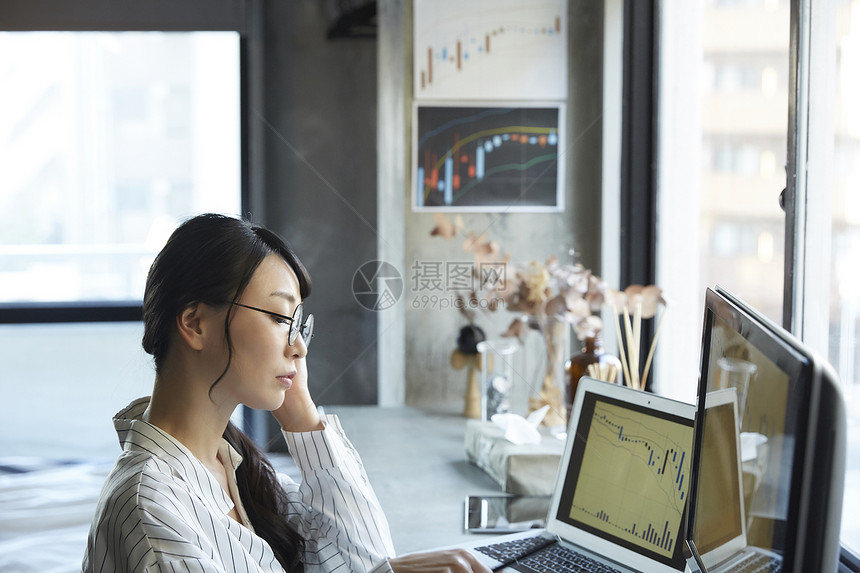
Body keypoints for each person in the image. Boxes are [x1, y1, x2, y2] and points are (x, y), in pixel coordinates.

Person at [83, 213, 490, 573]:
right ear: (195, 323)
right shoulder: (151, 511)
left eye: (299, 325)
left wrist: (301, 414)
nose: (300, 347)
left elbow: (360, 560)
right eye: (280, 318)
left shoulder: (231, 467)